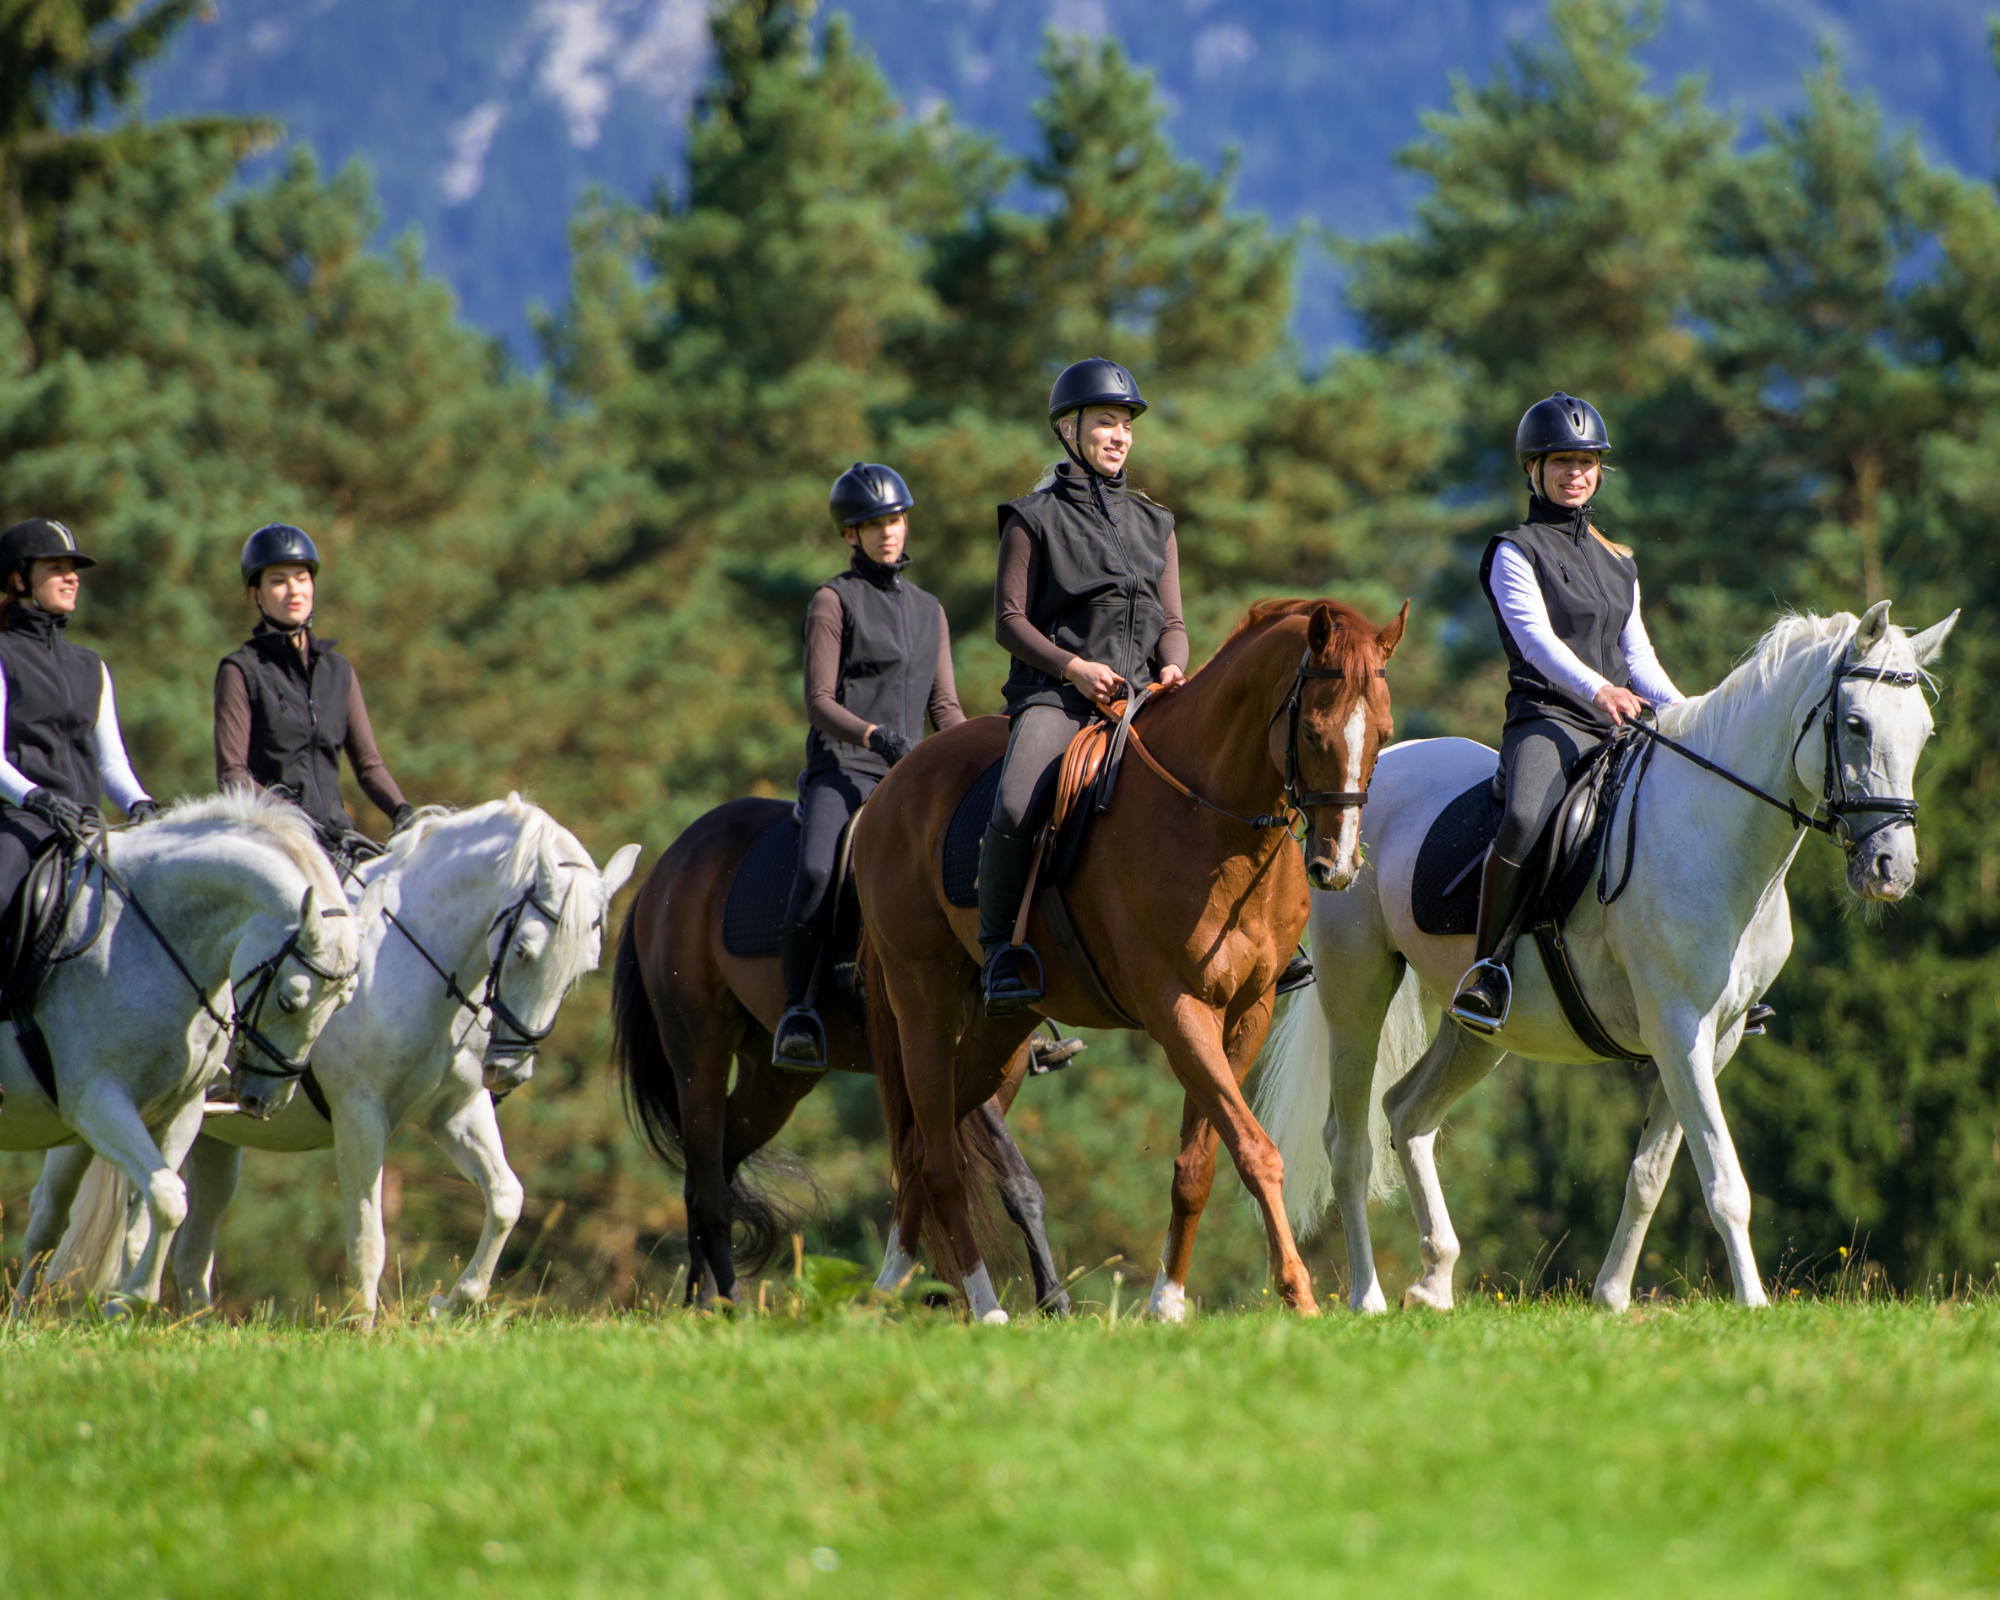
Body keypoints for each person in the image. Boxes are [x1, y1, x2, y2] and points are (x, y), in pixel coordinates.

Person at [1448, 392, 1685, 1033]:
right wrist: (1598, 693)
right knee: (1525, 814)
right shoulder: (1513, 551)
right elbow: (1538, 646)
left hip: (1620, 724)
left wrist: (1692, 714)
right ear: (1535, 470)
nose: (1575, 474)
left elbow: (1640, 659)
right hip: (1548, 719)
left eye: (1586, 462)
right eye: (1562, 462)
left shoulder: (1620, 562)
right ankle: (1487, 969)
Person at [977, 358, 1188, 1016]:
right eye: (1105, 423)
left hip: (1145, 699)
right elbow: (1009, 622)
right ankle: (998, 951)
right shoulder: (1031, 518)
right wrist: (1072, 668)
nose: (1120, 435)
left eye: (1126, 425)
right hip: (1060, 698)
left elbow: (1173, 621)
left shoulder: (1157, 523)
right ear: (1068, 431)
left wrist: (1175, 665)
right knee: (1015, 804)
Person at [772, 465, 965, 1069]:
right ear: (850, 535)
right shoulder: (833, 600)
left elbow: (944, 706)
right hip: (845, 767)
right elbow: (819, 702)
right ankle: (796, 1010)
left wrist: (974, 757)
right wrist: (876, 737)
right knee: (816, 871)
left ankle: (1006, 1005)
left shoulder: (930, 610)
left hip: (911, 776)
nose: (889, 533)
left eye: (896, 520)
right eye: (874, 524)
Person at [215, 524, 413, 867]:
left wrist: (404, 812)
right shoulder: (240, 670)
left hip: (338, 841)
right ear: (256, 595)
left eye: (301, 578)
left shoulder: (338, 672)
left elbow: (369, 766)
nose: (294, 589)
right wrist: (298, 823)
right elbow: (232, 775)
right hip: (274, 847)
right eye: (278, 580)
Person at [0, 517, 159, 942]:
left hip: (87, 824)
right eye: (55, 567)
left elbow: (111, 762)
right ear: (19, 578)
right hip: (21, 821)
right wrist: (37, 799)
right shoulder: (3, 654)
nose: (72, 577)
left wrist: (139, 803)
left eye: (73, 569)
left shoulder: (92, 665)